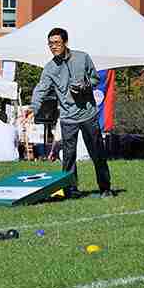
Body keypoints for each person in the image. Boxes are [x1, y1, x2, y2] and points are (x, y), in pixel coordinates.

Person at [28, 27, 112, 199]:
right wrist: (33, 108)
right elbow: (41, 89)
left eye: (57, 43)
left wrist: (86, 85)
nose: (53, 47)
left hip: (88, 115)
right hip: (68, 118)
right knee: (68, 157)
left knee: (97, 153)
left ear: (65, 43)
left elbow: (96, 78)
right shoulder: (50, 68)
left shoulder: (83, 57)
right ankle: (71, 191)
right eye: (50, 44)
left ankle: (105, 188)